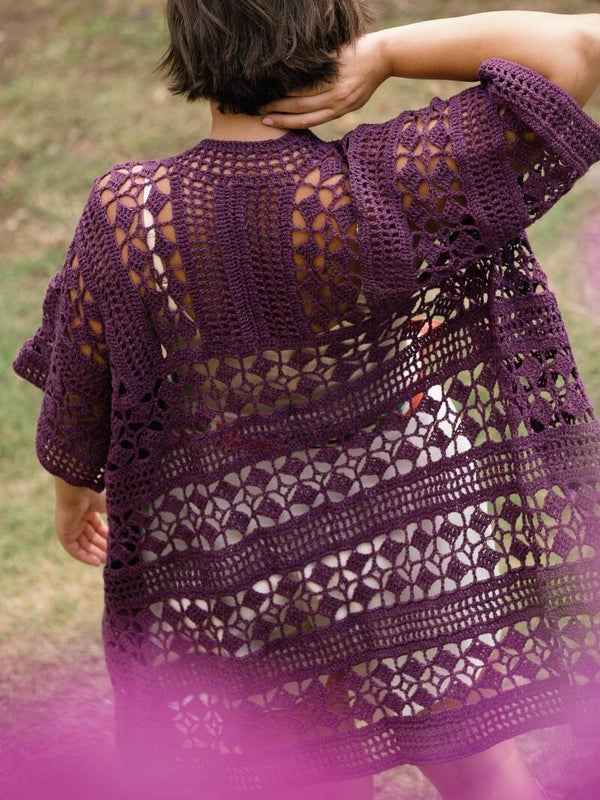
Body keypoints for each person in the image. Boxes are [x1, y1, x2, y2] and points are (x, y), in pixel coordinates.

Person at [13, 2, 600, 799]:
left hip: (252, 524)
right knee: (478, 764)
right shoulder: (386, 181)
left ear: (190, 48)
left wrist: (72, 498)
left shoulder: (132, 212)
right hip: (411, 499)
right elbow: (578, 47)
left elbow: (86, 380)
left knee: (307, 772)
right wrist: (388, 53)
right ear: (332, 40)